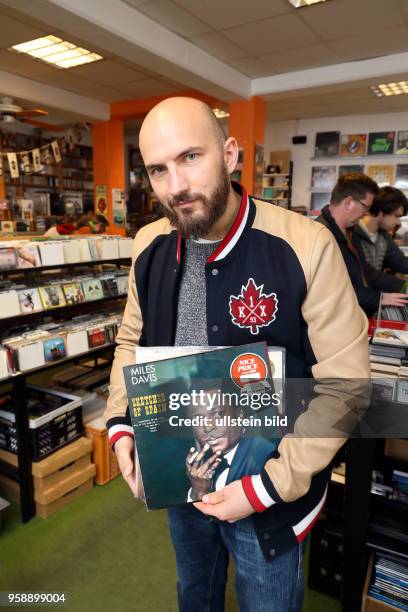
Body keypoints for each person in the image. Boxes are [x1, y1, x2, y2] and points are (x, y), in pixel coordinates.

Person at [104, 97, 370, 612]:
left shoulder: (306, 246)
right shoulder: (148, 245)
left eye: (190, 157)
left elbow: (346, 386)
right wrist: (121, 425)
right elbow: (131, 342)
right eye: (158, 169)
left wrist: (268, 486)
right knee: (194, 595)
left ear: (229, 153)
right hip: (180, 471)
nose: (176, 186)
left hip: (269, 486)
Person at [316, 173, 408, 316]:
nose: (367, 213)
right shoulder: (320, 234)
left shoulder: (349, 232)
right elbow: (330, 288)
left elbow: (367, 272)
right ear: (349, 202)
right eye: (366, 207)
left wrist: (402, 287)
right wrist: (379, 298)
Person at [185, 385, 278, 502]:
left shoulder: (263, 457)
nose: (208, 427)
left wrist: (200, 494)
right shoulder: (201, 468)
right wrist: (197, 492)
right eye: (198, 420)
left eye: (218, 414)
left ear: (240, 415)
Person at [352, 186, 408, 292]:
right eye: (396, 216)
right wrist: (404, 287)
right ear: (382, 212)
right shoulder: (353, 234)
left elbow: (401, 262)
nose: (398, 222)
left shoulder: (383, 237)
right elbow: (368, 274)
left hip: (374, 300)